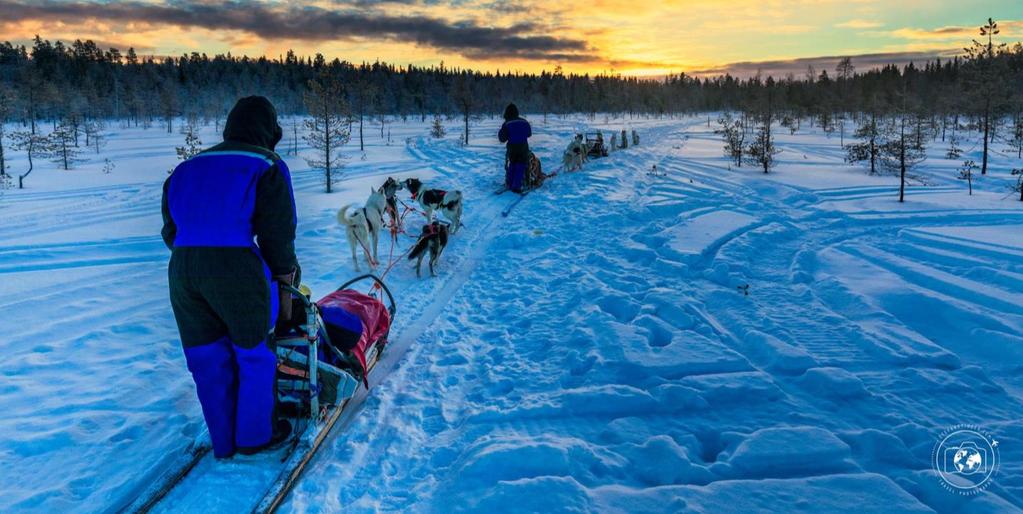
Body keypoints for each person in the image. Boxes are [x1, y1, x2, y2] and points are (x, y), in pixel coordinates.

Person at [161, 96, 297, 459]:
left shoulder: (186, 167)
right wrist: (283, 284)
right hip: (237, 267)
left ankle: (223, 440)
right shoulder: (266, 164)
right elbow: (277, 235)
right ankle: (255, 436)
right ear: (271, 131)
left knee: (206, 358)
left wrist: (198, 255)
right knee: (254, 354)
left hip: (183, 271)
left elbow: (171, 231)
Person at [498, 103, 531, 193]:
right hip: (523, 146)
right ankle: (516, 185)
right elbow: (529, 134)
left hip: (512, 147)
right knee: (520, 164)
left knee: (513, 163)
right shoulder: (524, 121)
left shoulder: (506, 123)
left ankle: (509, 182)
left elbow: (502, 138)